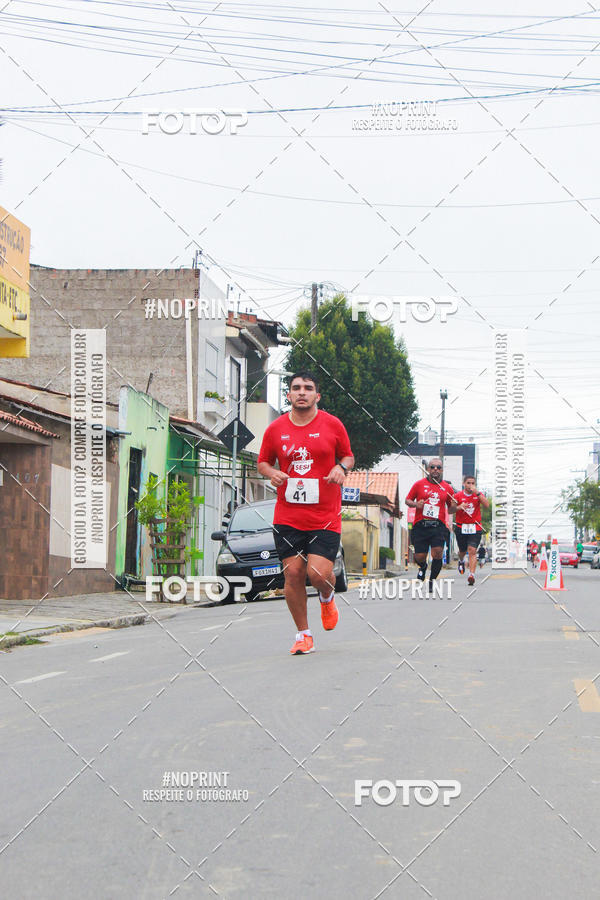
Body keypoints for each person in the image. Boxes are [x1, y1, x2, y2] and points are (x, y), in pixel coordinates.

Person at [257, 371, 354, 656]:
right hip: (288, 515)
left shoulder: (332, 425)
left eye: (308, 388)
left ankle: (326, 596)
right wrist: (272, 472)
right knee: (294, 574)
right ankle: (303, 634)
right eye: (296, 388)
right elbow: (262, 462)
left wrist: (341, 468)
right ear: (288, 395)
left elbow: (348, 455)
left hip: (324, 514)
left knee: (318, 573)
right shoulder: (275, 429)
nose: (302, 392)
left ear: (317, 396)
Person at [406, 458, 456, 593]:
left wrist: (457, 507)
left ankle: (432, 580)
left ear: (442, 470)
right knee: (419, 556)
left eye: (438, 468)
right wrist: (416, 504)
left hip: (438, 525)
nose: (435, 470)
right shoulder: (419, 484)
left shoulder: (447, 487)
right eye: (432, 467)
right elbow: (407, 500)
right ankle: (422, 566)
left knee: (437, 553)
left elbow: (451, 509)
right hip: (420, 525)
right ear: (428, 469)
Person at [453, 475, 490, 585]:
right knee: (462, 551)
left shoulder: (477, 495)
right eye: (468, 483)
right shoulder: (457, 495)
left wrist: (477, 493)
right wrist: (459, 507)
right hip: (461, 527)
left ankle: (471, 575)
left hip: (475, 526)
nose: (470, 485)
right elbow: (450, 509)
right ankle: (461, 560)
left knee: (472, 550)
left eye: (473, 483)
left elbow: (487, 504)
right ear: (464, 484)